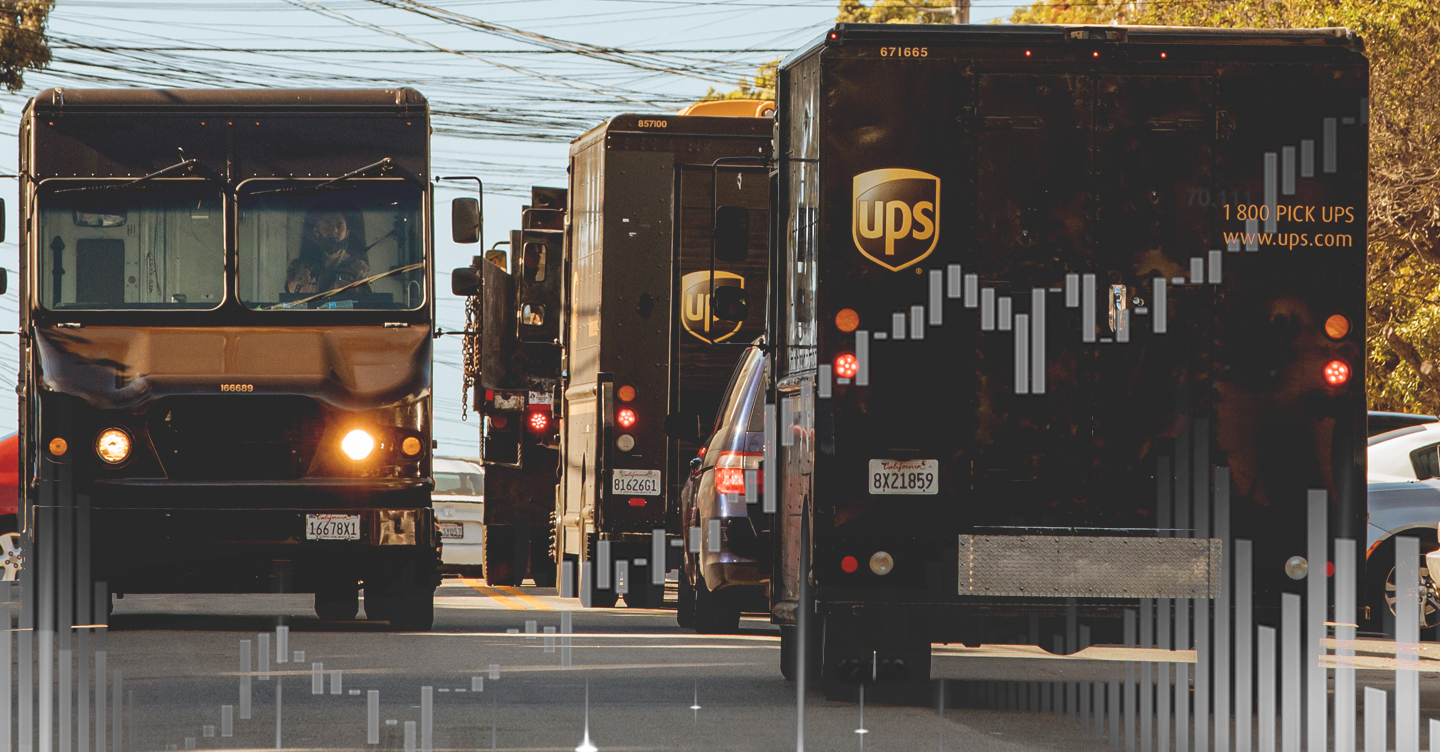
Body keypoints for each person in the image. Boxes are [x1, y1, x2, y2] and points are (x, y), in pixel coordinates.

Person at [285, 210, 371, 294]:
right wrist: (297, 282)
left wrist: (360, 282)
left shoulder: (357, 266)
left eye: (339, 226)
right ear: (316, 231)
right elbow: (290, 294)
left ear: (347, 233)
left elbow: (365, 298)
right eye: (328, 225)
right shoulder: (300, 266)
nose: (334, 230)